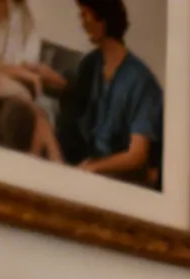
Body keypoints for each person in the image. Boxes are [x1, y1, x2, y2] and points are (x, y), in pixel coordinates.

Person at [55, 0, 160, 186]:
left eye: (85, 15)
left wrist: (95, 168)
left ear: (102, 21)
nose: (82, 23)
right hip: (85, 166)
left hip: (120, 178)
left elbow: (136, 154)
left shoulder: (142, 81)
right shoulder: (90, 64)